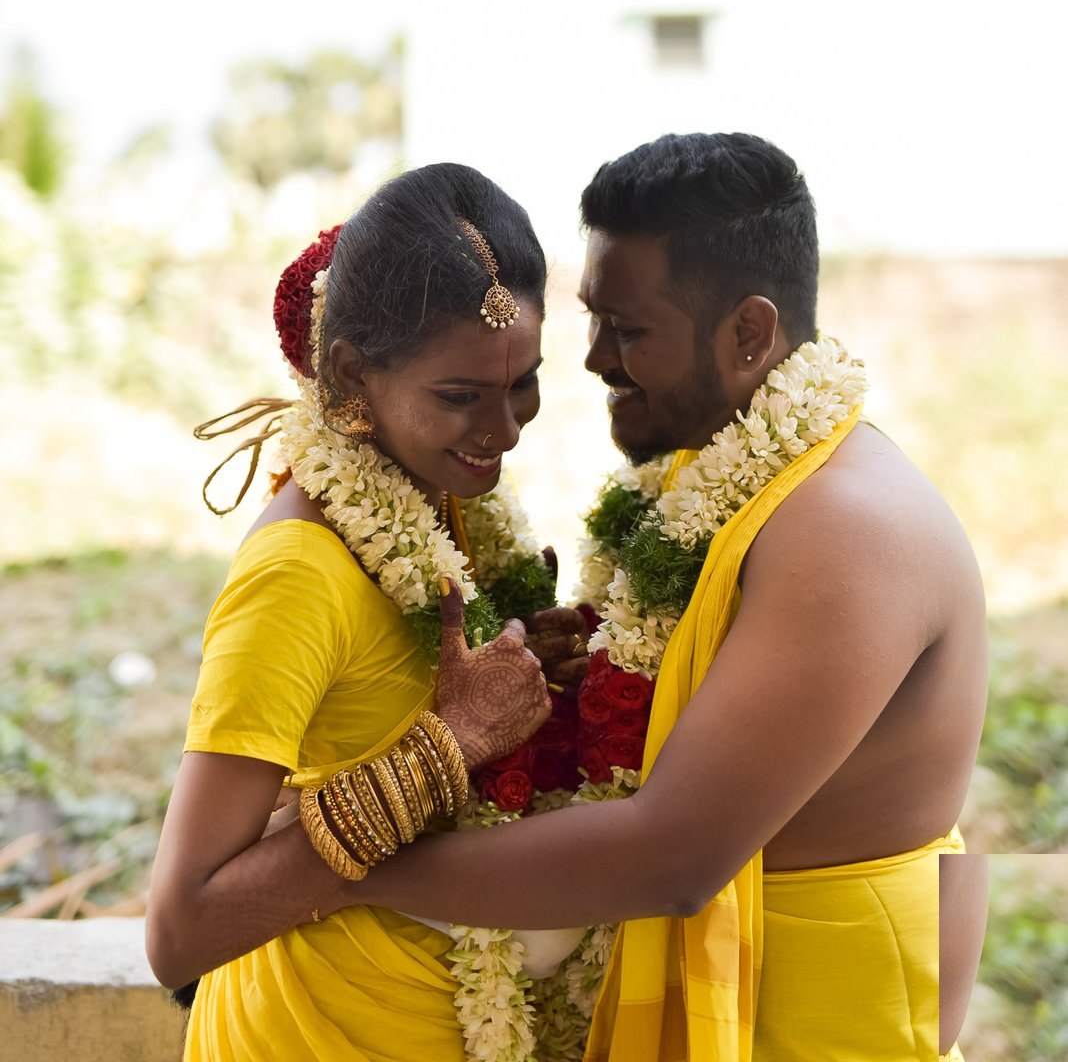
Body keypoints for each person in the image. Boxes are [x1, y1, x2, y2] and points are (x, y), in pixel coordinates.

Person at [300, 132, 988, 1062]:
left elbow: (670, 857)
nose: (591, 360)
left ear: (748, 334)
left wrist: (344, 873)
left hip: (821, 1023)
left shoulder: (847, 529)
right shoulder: (716, 491)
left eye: (627, 331)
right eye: (592, 319)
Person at [147, 162, 577, 1060]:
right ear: (351, 376)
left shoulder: (435, 498)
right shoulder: (297, 571)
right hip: (316, 1032)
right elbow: (178, 932)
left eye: (523, 384)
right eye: (460, 397)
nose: (502, 432)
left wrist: (523, 664)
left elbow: (384, 690)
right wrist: (445, 750)